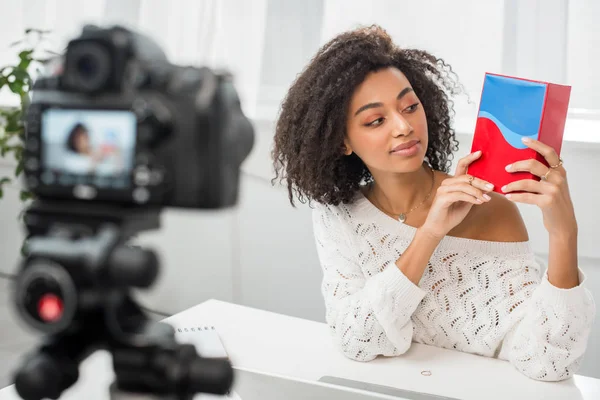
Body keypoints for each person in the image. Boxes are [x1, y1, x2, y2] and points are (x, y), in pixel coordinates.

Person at [271, 25, 595, 382]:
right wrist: (430, 233)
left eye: (410, 107)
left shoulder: (491, 209)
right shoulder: (340, 216)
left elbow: (548, 362)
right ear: (342, 141)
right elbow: (355, 339)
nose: (403, 126)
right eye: (376, 120)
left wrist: (564, 232)